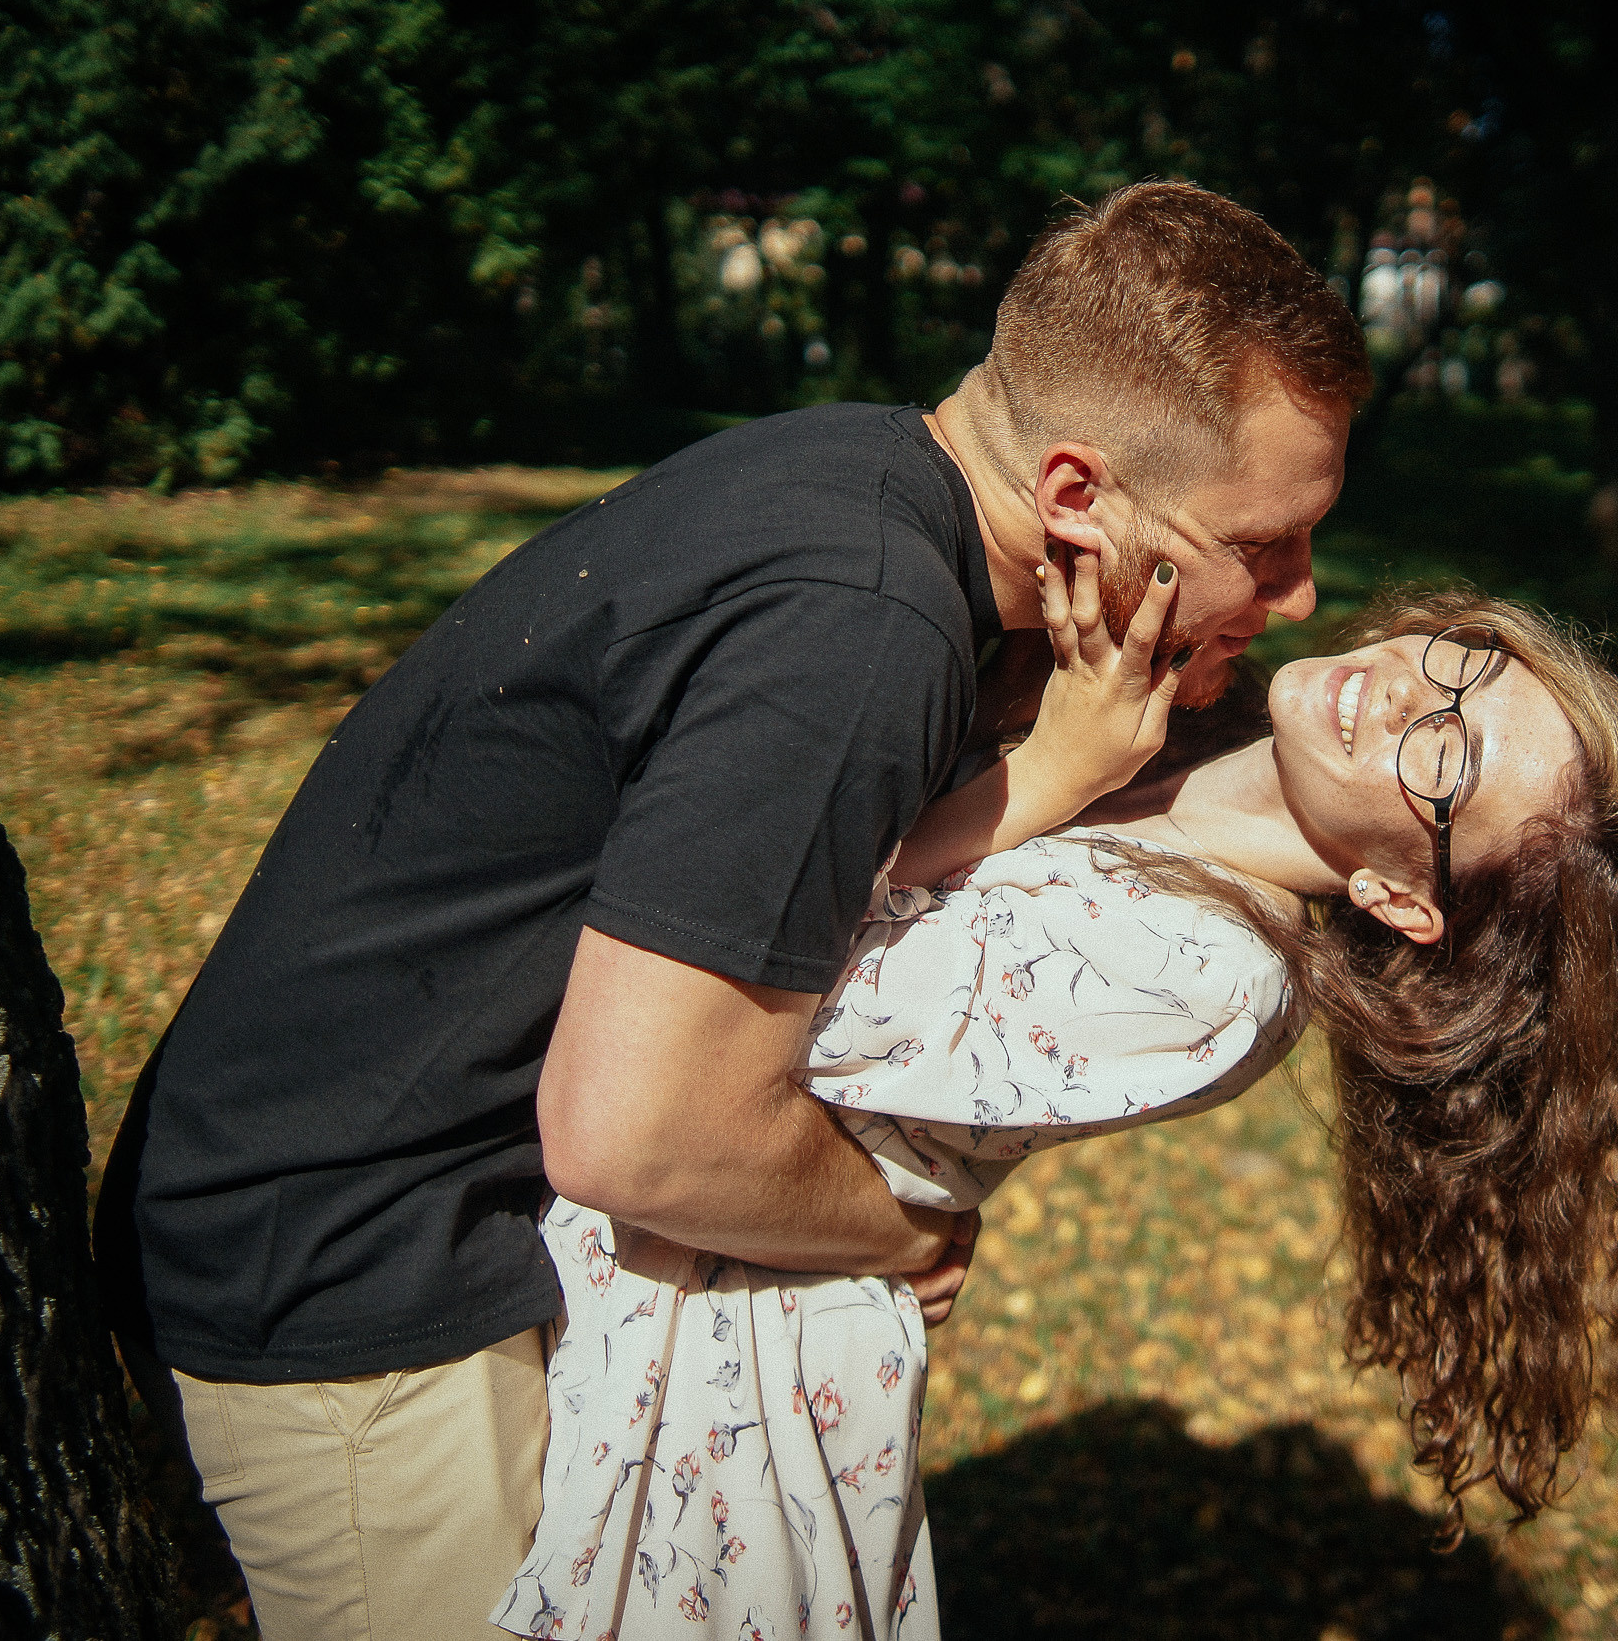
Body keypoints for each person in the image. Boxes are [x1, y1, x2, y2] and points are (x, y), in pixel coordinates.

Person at [91, 180, 1372, 1641]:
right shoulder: (862, 618)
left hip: (334, 1206)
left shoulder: (860, 481)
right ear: (1076, 495)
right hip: (350, 1273)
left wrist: (1049, 773)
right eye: (1264, 544)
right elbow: (641, 1128)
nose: (1302, 589)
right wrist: (897, 1231)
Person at [493, 583, 1618, 1640]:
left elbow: (764, 977)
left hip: (703, 1344)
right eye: (1460, 666)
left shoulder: (1210, 980)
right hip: (597, 1202)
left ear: (1400, 901)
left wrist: (1046, 771)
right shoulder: (1166, 728)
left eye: (1445, 756)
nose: (1396, 688)